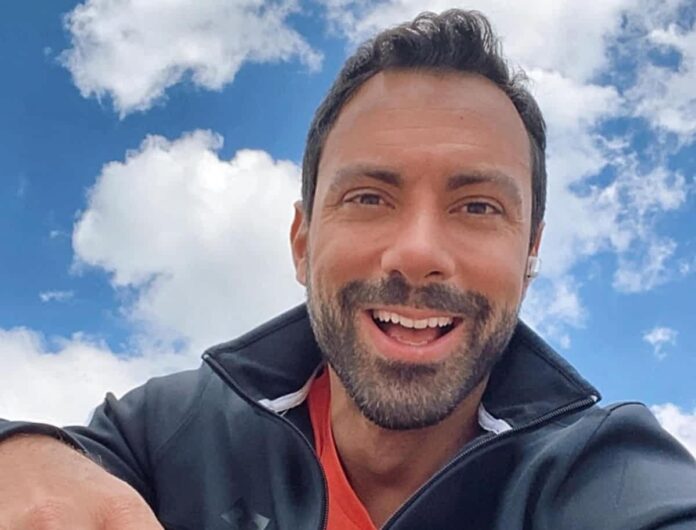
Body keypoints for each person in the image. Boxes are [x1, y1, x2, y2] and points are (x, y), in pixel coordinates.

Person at [1, 9, 695, 530]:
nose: (417, 252)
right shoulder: (170, 429)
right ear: (302, 241)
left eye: (478, 207)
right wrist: (19, 452)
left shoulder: (603, 469)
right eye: (369, 198)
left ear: (531, 252)